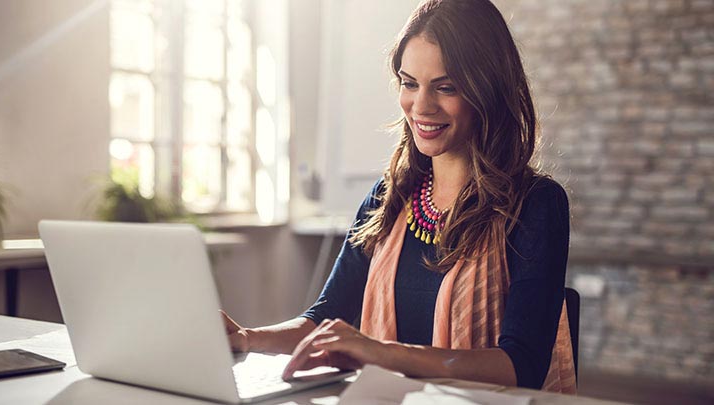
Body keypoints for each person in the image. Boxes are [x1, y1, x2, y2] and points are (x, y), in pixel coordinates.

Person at [221, 0, 576, 393]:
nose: (420, 106)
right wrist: (247, 338)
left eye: (446, 87)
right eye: (409, 83)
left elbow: (520, 366)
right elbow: (325, 319)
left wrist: (380, 352)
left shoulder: (537, 204)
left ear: (487, 90)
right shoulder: (388, 197)